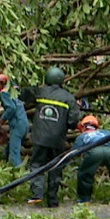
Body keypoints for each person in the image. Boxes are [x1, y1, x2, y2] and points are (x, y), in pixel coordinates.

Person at [23, 66, 81, 207]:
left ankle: (37, 194)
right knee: (56, 167)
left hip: (40, 138)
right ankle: (53, 200)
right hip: (58, 140)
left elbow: (23, 94)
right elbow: (73, 121)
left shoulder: (40, 92)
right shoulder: (68, 97)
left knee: (37, 164)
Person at [74, 115, 110, 203]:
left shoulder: (83, 136)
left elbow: (75, 151)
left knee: (85, 174)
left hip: (94, 152)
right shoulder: (105, 132)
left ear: (83, 127)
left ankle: (84, 200)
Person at [0, 73, 30, 169]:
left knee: (14, 154)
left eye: (0, 83)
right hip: (24, 123)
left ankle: (20, 177)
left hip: (18, 125)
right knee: (10, 148)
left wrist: (0, 121)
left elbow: (11, 108)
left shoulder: (4, 92)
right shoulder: (13, 90)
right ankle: (4, 166)